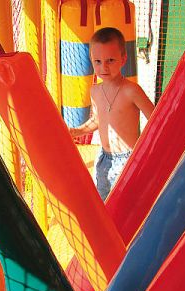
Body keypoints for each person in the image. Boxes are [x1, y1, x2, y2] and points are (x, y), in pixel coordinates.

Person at [69, 27, 155, 201]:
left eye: (110, 60)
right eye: (98, 61)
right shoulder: (95, 91)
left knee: (127, 202)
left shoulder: (131, 91)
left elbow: (156, 119)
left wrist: (145, 151)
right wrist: (77, 131)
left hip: (128, 159)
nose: (104, 67)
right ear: (91, 60)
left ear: (123, 59)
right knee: (104, 202)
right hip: (105, 159)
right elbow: (98, 120)